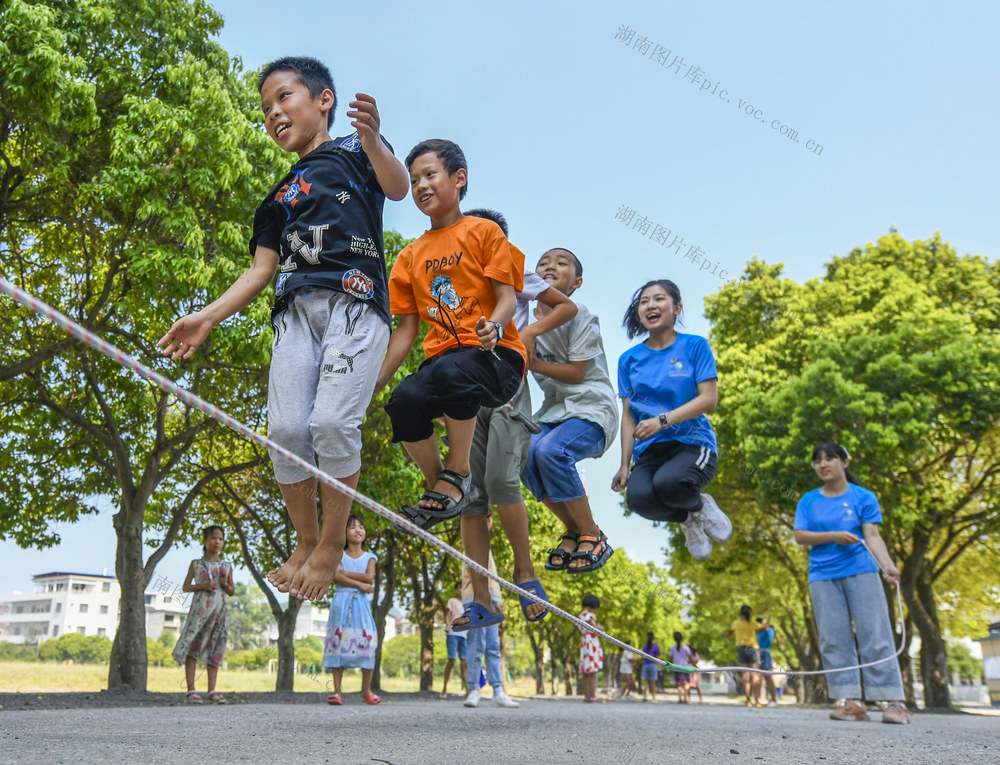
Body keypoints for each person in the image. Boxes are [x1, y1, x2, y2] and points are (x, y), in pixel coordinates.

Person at [159, 56, 409, 601]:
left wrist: (375, 142)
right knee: (289, 432)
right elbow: (259, 272)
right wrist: (207, 315)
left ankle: (329, 544)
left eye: (284, 98)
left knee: (330, 425)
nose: (273, 112)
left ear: (324, 101)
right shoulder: (275, 198)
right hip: (293, 314)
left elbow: (397, 188)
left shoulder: (354, 153)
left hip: (354, 305)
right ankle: (305, 540)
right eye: (266, 107)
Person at [376, 139, 525, 631]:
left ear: (458, 179)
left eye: (429, 175)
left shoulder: (483, 233)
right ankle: (441, 484)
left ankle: (457, 473)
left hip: (495, 358)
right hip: (445, 365)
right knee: (405, 401)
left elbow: (505, 297)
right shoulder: (411, 255)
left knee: (451, 370)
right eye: (414, 179)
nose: (420, 186)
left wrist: (493, 325)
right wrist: (376, 379)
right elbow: (406, 333)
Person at [459, 209, 575, 625]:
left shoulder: (514, 268)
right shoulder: (449, 273)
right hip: (465, 390)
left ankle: (526, 576)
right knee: (469, 492)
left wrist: (525, 335)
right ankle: (481, 599)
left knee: (500, 479)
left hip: (507, 382)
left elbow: (565, 307)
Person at [611, 279, 732, 561]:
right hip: (650, 449)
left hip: (692, 442)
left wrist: (662, 421)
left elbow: (708, 399)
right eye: (644, 302)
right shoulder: (628, 360)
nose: (650, 305)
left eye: (659, 299)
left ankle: (701, 506)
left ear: (676, 308)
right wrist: (624, 464)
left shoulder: (695, 346)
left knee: (670, 483)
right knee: (639, 500)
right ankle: (689, 519)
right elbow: (628, 415)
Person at [794, 442, 911, 724]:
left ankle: (894, 702)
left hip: (862, 571)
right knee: (834, 639)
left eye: (829, 459)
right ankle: (851, 701)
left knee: (876, 634)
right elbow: (800, 535)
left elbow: (872, 536)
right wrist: (834, 535)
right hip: (822, 575)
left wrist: (888, 565)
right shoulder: (808, 501)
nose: (823, 465)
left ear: (845, 462)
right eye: (817, 461)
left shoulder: (864, 497)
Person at [521, 248, 620, 574]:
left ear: (576, 282)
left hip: (591, 408)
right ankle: (575, 529)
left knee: (551, 450)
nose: (551, 266)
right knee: (521, 453)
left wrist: (530, 359)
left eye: (562, 263)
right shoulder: (520, 321)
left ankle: (592, 533)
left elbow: (578, 373)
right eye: (544, 263)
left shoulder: (579, 314)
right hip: (553, 411)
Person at [462, 514, 520, 709]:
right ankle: (473, 690)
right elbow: (474, 573)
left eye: (489, 518)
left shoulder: (487, 547)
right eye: (482, 518)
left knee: (494, 646)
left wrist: (497, 601)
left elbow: (493, 578)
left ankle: (498, 691)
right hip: (475, 599)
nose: (486, 522)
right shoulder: (471, 543)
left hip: (492, 600)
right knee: (477, 644)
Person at [173, 525, 235, 704]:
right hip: (200, 611)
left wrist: (224, 583)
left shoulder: (227, 566)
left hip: (220, 611)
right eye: (213, 538)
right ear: (205, 541)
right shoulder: (196, 564)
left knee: (216, 647)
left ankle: (212, 690)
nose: (217, 542)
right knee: (194, 646)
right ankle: (191, 689)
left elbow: (231, 591)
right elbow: (186, 586)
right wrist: (202, 585)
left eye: (220, 539)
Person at [323, 514, 380, 706]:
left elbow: (369, 577)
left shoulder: (370, 557)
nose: (358, 530)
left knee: (367, 642)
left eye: (361, 527)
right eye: (352, 526)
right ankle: (337, 691)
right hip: (341, 601)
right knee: (338, 642)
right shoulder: (338, 553)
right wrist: (360, 583)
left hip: (361, 605)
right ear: (344, 532)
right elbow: (335, 577)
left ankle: (366, 691)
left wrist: (345, 574)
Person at [727, 604, 762, 707]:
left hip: (741, 648)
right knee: (755, 675)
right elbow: (763, 627)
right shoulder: (753, 623)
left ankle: (748, 701)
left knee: (745, 675)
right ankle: (757, 701)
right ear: (750, 613)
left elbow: (730, 632)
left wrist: (728, 633)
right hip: (753, 649)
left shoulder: (736, 623)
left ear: (740, 613)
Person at [441, 584, 468, 698]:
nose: (461, 590)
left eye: (464, 588)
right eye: (459, 588)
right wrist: (447, 626)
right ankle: (444, 688)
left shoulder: (468, 605)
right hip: (453, 634)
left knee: (464, 663)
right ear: (456, 590)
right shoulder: (452, 601)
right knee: (451, 660)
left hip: (464, 636)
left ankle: (467, 690)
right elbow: (447, 615)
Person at [578, 594, 605, 703]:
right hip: (592, 643)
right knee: (593, 671)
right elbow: (596, 628)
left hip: (585, 642)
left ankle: (587, 696)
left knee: (586, 671)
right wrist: (601, 628)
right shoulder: (589, 615)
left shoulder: (580, 616)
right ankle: (593, 696)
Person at [756, 617, 778, 706]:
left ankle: (773, 699)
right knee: (758, 677)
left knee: (768, 677)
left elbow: (765, 627)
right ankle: (757, 699)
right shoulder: (759, 632)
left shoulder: (769, 630)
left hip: (765, 653)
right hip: (758, 653)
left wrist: (765, 621)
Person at [668, 631, 694, 704]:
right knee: (686, 683)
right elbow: (690, 658)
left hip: (676, 667)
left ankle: (680, 698)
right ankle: (685, 698)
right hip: (685, 667)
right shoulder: (686, 648)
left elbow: (670, 658)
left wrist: (669, 665)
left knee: (679, 684)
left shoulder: (672, 648)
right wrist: (694, 665)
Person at [640, 631, 660, 701]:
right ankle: (653, 697)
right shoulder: (656, 646)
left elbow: (642, 655)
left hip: (645, 665)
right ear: (653, 638)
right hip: (653, 665)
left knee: (646, 682)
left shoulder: (645, 646)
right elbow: (657, 657)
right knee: (653, 682)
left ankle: (645, 696)